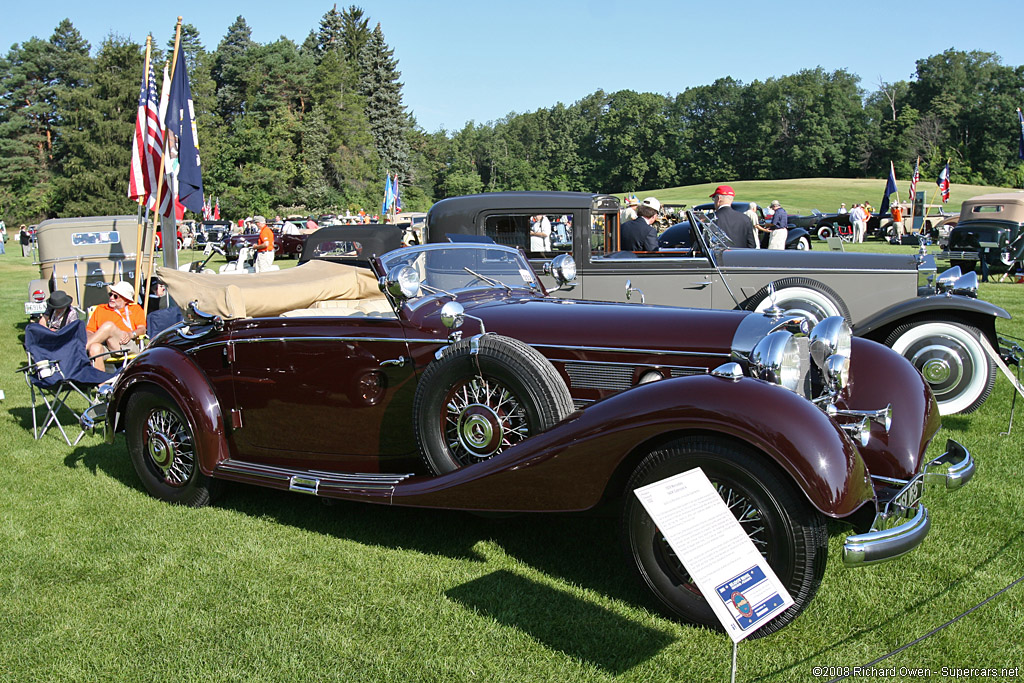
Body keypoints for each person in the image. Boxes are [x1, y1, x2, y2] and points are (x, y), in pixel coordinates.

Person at [86, 281, 146, 370]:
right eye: (110, 294)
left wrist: (131, 334)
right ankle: (101, 383)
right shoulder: (101, 309)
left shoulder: (135, 309)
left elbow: (142, 329)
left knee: (109, 326)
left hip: (126, 344)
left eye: (115, 296)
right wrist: (93, 338)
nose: (111, 298)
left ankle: (80, 351)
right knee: (94, 348)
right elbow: (89, 331)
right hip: (106, 347)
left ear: (126, 299)